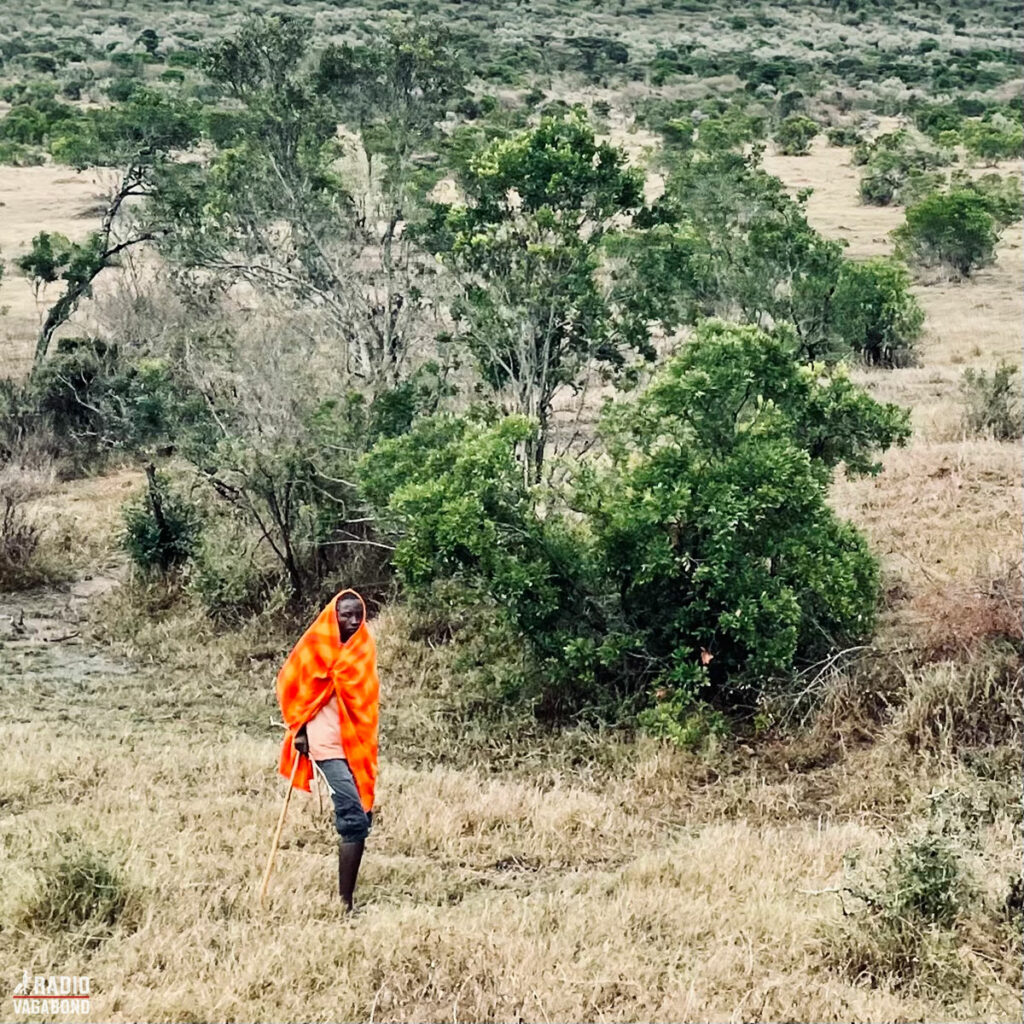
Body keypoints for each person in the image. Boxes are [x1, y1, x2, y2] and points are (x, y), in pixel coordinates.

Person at [275, 589, 379, 911]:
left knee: (363, 812)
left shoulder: (364, 650)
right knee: (353, 817)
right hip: (324, 744)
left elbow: (367, 702)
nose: (351, 621)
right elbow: (291, 685)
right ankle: (345, 903)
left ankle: (347, 894)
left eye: (357, 615)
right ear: (332, 616)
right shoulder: (315, 646)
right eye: (345, 614)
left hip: (356, 744)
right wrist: (300, 730)